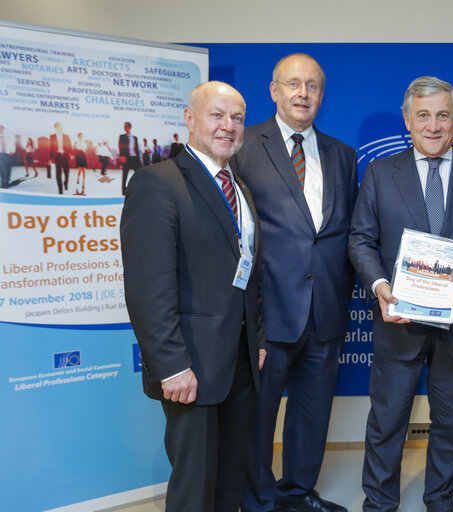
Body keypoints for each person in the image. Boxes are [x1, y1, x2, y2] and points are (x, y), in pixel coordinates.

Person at [348, 76, 453, 512]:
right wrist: (380, 286)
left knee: (451, 422)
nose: (433, 125)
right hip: (397, 319)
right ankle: (380, 504)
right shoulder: (379, 173)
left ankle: (440, 501)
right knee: (386, 422)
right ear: (407, 120)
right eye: (423, 115)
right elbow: (360, 241)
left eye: (443, 115)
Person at [121, 81, 267, 512]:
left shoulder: (239, 187)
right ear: (190, 119)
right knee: (194, 483)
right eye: (217, 115)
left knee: (228, 477)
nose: (228, 126)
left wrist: (255, 338)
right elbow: (148, 286)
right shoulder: (157, 183)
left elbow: (247, 272)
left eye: (237, 118)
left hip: (239, 361)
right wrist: (171, 366)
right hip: (191, 365)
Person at [235, 53, 358, 512]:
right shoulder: (244, 145)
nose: (302, 94)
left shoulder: (343, 156)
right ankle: (258, 501)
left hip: (325, 310)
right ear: (274, 91)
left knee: (312, 414)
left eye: (312, 86)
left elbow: (348, 233)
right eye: (293, 84)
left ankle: (298, 494)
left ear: (322, 95)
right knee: (259, 418)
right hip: (268, 313)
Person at [119, 122, 141, 195]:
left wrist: (139, 160)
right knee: (125, 175)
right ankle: (123, 191)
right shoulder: (122, 136)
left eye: (126, 126)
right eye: (124, 126)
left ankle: (138, 188)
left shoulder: (135, 138)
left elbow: (137, 149)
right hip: (127, 158)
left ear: (130, 127)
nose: (125, 128)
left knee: (139, 174)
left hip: (135, 158)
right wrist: (122, 156)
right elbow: (120, 147)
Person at [50, 122, 72, 194]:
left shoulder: (66, 136)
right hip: (57, 156)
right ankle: (60, 189)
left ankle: (66, 182)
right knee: (58, 173)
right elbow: (51, 148)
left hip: (65, 155)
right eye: (59, 127)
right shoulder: (52, 136)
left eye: (61, 126)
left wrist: (70, 154)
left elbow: (70, 146)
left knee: (66, 172)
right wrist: (50, 158)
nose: (61, 128)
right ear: (56, 128)